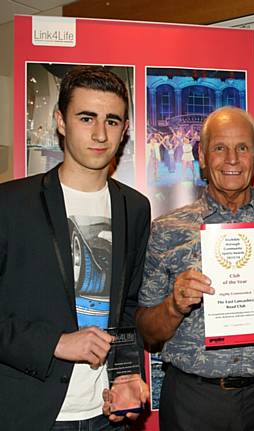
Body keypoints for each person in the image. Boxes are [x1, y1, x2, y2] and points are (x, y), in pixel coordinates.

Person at [136, 106, 254, 431]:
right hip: (193, 401)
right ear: (202, 157)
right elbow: (147, 332)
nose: (232, 159)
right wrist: (174, 305)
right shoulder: (167, 229)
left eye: (242, 148)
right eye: (220, 148)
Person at [0, 66, 151, 430]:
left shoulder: (135, 207)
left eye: (112, 121)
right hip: (30, 412)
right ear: (61, 122)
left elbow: (129, 305)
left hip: (105, 416)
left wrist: (126, 374)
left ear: (125, 128)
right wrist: (55, 342)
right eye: (87, 118)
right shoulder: (10, 204)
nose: (100, 133)